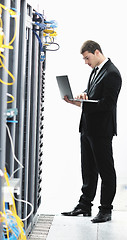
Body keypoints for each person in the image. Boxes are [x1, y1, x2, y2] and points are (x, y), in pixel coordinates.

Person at [61, 40, 122, 223]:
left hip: (101, 131)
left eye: (87, 58)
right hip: (88, 128)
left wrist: (85, 104)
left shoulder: (112, 73)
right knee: (88, 169)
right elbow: (91, 95)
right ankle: (85, 205)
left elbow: (107, 104)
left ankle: (105, 210)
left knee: (106, 171)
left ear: (96, 52)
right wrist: (78, 98)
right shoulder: (96, 71)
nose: (86, 62)